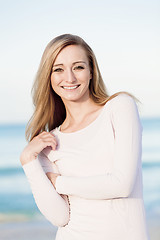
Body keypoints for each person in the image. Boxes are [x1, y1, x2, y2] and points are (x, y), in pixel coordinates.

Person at [20, 34, 150, 240]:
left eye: (78, 67)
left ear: (91, 72)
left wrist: (59, 182)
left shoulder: (119, 107)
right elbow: (59, 217)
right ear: (49, 77)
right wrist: (28, 162)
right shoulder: (49, 143)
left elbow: (122, 184)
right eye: (58, 69)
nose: (69, 78)